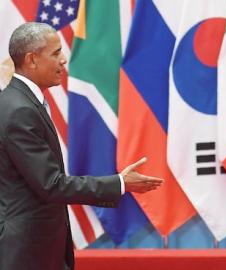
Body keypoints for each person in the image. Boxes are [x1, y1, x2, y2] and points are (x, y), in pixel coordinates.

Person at [0, 22, 164, 270]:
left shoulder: (19, 102)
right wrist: (120, 183)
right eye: (55, 53)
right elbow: (51, 185)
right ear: (31, 59)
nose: (64, 60)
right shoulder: (19, 109)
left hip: (39, 249)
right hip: (27, 254)